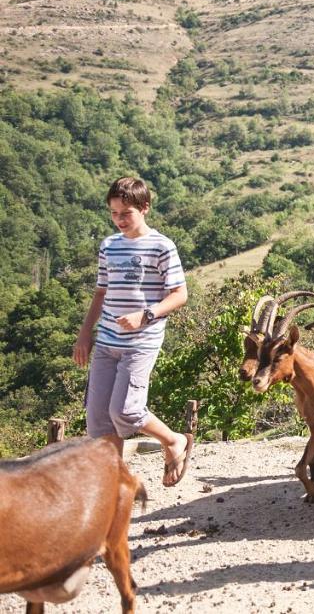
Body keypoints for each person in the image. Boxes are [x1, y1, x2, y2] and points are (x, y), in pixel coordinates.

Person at [73, 176, 194, 486]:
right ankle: (114, 484)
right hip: (106, 341)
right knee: (98, 420)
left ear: (144, 208)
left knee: (126, 411)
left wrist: (146, 314)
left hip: (142, 340)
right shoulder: (109, 246)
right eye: (114, 213)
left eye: (126, 213)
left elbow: (180, 294)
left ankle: (174, 440)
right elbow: (101, 292)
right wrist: (85, 333)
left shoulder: (162, 245)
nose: (119, 220)